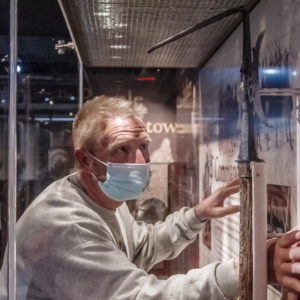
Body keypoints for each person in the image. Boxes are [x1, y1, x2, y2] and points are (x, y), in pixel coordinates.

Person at [0, 95, 300, 299]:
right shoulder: (68, 227)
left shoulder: (100, 197)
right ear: (85, 160)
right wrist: (249, 268)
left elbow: (140, 247)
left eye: (144, 146)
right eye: (122, 149)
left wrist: (197, 215)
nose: (141, 161)